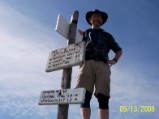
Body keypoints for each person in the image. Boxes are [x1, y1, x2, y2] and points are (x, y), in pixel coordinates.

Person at [76, 9, 122, 119]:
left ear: (101, 20)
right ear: (90, 20)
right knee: (83, 95)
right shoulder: (84, 34)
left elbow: (119, 50)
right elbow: (75, 46)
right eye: (94, 17)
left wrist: (114, 60)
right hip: (86, 63)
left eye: (99, 17)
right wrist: (79, 36)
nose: (96, 18)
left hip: (103, 64)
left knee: (103, 95)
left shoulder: (107, 36)